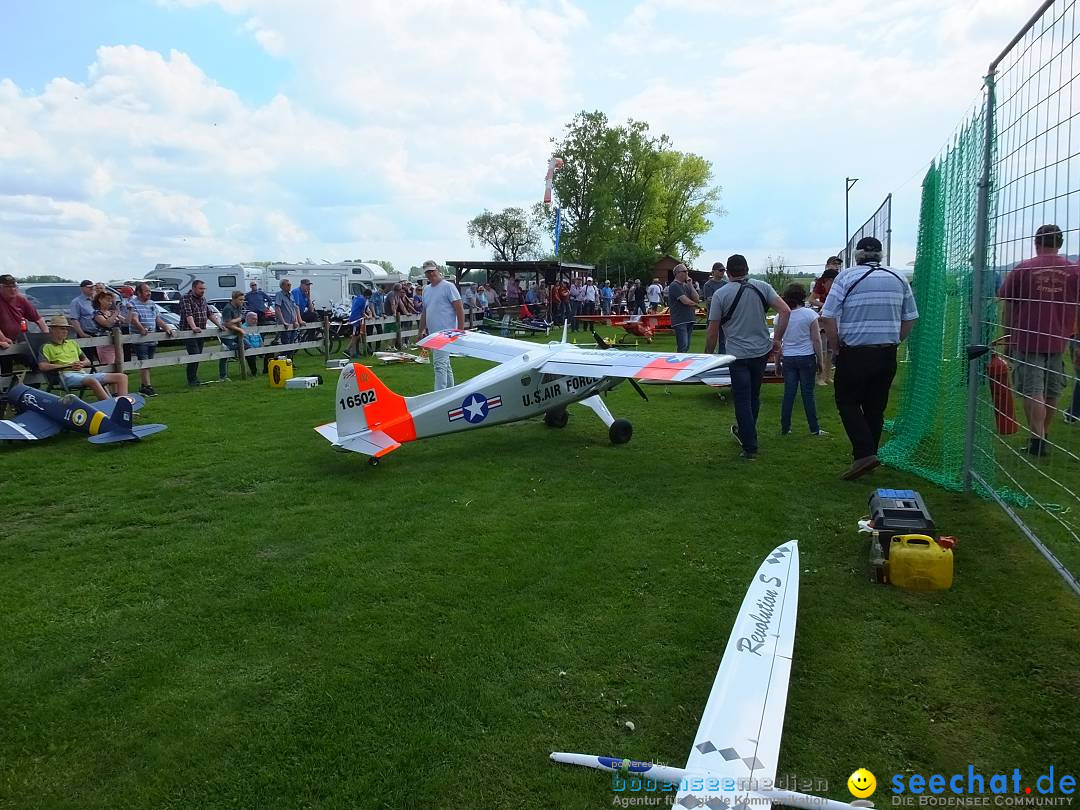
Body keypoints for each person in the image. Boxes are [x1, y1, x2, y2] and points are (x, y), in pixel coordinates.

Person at [821, 236, 919, 479]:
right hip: (886, 352)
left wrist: (836, 347)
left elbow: (828, 316)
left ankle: (865, 454)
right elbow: (910, 317)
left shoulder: (846, 277)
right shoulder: (898, 277)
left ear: (857, 256)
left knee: (847, 401)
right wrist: (895, 340)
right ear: (880, 255)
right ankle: (867, 456)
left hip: (854, 351)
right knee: (875, 408)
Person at [997, 224, 1080, 455]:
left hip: (1027, 339)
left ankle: (1038, 439)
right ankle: (1043, 435)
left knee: (1032, 390)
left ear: (1036, 242)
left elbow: (1009, 306)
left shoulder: (1024, 269)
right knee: (1052, 390)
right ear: (1060, 244)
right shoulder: (1074, 271)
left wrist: (1008, 336)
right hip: (1058, 340)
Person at [705, 254, 790, 460]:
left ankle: (750, 444)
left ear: (728, 271)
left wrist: (707, 354)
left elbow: (713, 329)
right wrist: (777, 339)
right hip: (761, 351)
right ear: (747, 269)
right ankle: (746, 433)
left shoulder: (721, 294)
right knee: (753, 395)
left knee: (742, 398)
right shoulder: (762, 287)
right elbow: (785, 311)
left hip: (737, 354)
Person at [38, 314, 129, 399]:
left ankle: (124, 406)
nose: (65, 331)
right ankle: (112, 407)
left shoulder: (72, 343)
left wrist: (81, 364)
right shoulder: (46, 347)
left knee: (121, 377)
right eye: (62, 329)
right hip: (65, 376)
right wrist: (67, 366)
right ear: (52, 330)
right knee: (91, 380)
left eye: (66, 329)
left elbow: (87, 361)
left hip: (82, 374)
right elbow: (43, 366)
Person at [778, 283, 827, 437]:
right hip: (806, 357)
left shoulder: (781, 315)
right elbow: (816, 340)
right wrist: (820, 360)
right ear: (802, 296)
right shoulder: (809, 315)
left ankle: (785, 428)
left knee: (789, 393)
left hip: (789, 358)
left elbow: (779, 341)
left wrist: (778, 359)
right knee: (808, 394)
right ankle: (814, 428)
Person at [418, 260, 465, 390]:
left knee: (439, 365)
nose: (430, 273)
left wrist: (460, 330)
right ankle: (451, 391)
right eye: (428, 272)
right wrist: (420, 331)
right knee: (444, 364)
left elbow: (459, 308)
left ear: (437, 270)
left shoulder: (448, 286)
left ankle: (439, 395)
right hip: (434, 333)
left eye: (432, 270)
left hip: (447, 333)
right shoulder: (426, 290)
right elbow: (425, 312)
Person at [127, 282, 175, 396]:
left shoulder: (152, 304)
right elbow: (134, 319)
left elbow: (157, 319)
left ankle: (145, 385)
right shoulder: (133, 303)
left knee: (149, 362)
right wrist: (141, 329)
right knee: (144, 362)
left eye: (149, 291)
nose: (149, 293)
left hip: (152, 337)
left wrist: (166, 328)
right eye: (146, 291)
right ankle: (146, 386)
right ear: (139, 292)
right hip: (140, 338)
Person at [0, 275, 49, 379]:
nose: (12, 289)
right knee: (5, 368)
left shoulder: (21, 300)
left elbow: (38, 319)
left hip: (16, 340)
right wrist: (3, 339)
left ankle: (33, 389)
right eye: (8, 287)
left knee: (33, 360)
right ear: (1, 287)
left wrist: (46, 336)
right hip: (3, 342)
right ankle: (4, 391)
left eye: (14, 286)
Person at [180, 279, 224, 387]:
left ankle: (194, 378)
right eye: (200, 288)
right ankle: (192, 379)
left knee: (198, 355)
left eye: (204, 289)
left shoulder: (203, 299)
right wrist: (193, 327)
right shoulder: (186, 298)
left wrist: (219, 325)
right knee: (194, 354)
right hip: (189, 332)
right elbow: (188, 314)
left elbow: (209, 313)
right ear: (194, 288)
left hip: (201, 332)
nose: (203, 291)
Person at [812, 257, 842, 385]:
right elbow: (812, 299)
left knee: (831, 349)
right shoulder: (821, 282)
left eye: (838, 264)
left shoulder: (840, 280)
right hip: (824, 317)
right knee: (823, 348)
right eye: (834, 264)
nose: (836, 266)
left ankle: (828, 375)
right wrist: (825, 305)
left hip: (835, 318)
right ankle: (820, 376)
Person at [667, 264, 700, 353]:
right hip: (680, 320)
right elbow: (685, 301)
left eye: (687, 271)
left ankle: (682, 364)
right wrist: (697, 305)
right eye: (684, 271)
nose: (687, 273)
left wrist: (691, 285)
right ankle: (678, 365)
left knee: (687, 346)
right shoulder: (674, 285)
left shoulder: (686, 285)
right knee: (683, 346)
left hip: (689, 318)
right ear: (677, 273)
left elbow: (697, 298)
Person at [218, 289, 248, 380]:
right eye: (240, 299)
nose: (242, 302)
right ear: (234, 299)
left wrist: (237, 322)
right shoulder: (228, 308)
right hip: (226, 335)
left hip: (235, 335)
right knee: (225, 354)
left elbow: (239, 319)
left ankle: (238, 357)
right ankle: (222, 376)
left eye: (243, 299)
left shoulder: (238, 307)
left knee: (246, 345)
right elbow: (227, 324)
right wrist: (239, 327)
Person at [91, 291, 123, 367]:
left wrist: (131, 310)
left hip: (117, 342)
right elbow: (106, 323)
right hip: (104, 343)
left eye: (111, 301)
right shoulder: (97, 313)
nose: (110, 303)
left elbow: (126, 321)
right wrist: (116, 313)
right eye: (108, 300)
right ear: (100, 300)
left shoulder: (111, 312)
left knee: (119, 365)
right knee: (109, 365)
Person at [701, 262, 727, 354]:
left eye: (724, 270)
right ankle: (707, 357)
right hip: (712, 316)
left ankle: (723, 359)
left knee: (723, 340)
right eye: (720, 270)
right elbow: (709, 301)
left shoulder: (726, 284)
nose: (722, 272)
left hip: (724, 316)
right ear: (714, 271)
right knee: (711, 339)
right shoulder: (708, 285)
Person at [275, 279, 304, 349]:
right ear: (282, 286)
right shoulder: (279, 294)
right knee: (286, 345)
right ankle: (283, 358)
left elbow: (295, 308)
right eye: (288, 285)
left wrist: (296, 320)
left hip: (293, 324)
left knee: (292, 345)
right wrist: (283, 322)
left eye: (290, 284)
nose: (290, 286)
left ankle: (289, 359)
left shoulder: (291, 295)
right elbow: (277, 308)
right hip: (285, 324)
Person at [346, 288, 369, 358]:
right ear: (368, 296)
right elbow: (362, 312)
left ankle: (347, 350)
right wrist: (367, 316)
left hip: (353, 317)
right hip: (356, 318)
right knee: (355, 337)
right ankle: (353, 353)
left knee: (357, 335)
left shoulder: (357, 297)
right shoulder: (364, 300)